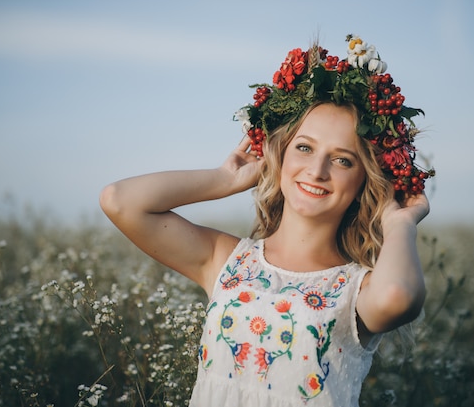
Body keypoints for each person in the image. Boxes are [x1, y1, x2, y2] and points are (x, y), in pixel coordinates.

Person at [100, 34, 434, 407]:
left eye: (342, 160)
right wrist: (224, 180)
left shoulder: (358, 290)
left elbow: (399, 297)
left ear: (363, 180)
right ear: (281, 155)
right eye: (304, 148)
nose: (317, 170)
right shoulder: (225, 260)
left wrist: (400, 223)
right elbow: (120, 201)